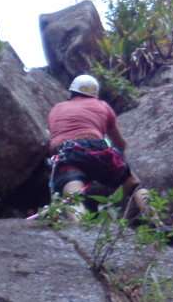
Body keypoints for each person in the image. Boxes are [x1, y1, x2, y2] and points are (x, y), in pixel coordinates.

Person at [46, 74, 148, 218]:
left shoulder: (57, 109)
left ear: (72, 91)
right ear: (95, 93)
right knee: (135, 185)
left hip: (67, 153)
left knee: (72, 197)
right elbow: (120, 143)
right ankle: (157, 221)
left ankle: (79, 227)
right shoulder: (101, 105)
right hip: (96, 148)